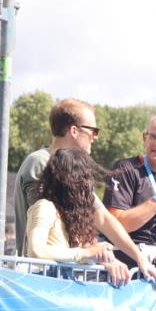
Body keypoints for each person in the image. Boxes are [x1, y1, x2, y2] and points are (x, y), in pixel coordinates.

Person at [24, 148, 156, 290]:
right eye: (83, 181)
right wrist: (87, 252)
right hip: (42, 287)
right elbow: (36, 250)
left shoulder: (69, 216)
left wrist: (106, 261)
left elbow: (73, 256)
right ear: (71, 182)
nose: (88, 189)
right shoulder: (45, 207)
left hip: (59, 288)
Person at [14, 98, 99, 255]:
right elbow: (37, 249)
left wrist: (100, 254)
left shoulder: (63, 210)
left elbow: (101, 217)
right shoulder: (39, 164)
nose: (96, 137)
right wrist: (86, 253)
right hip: (39, 270)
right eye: (94, 131)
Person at [104, 114, 156, 269]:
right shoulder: (126, 169)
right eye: (153, 137)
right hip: (129, 267)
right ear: (145, 138)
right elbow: (115, 224)